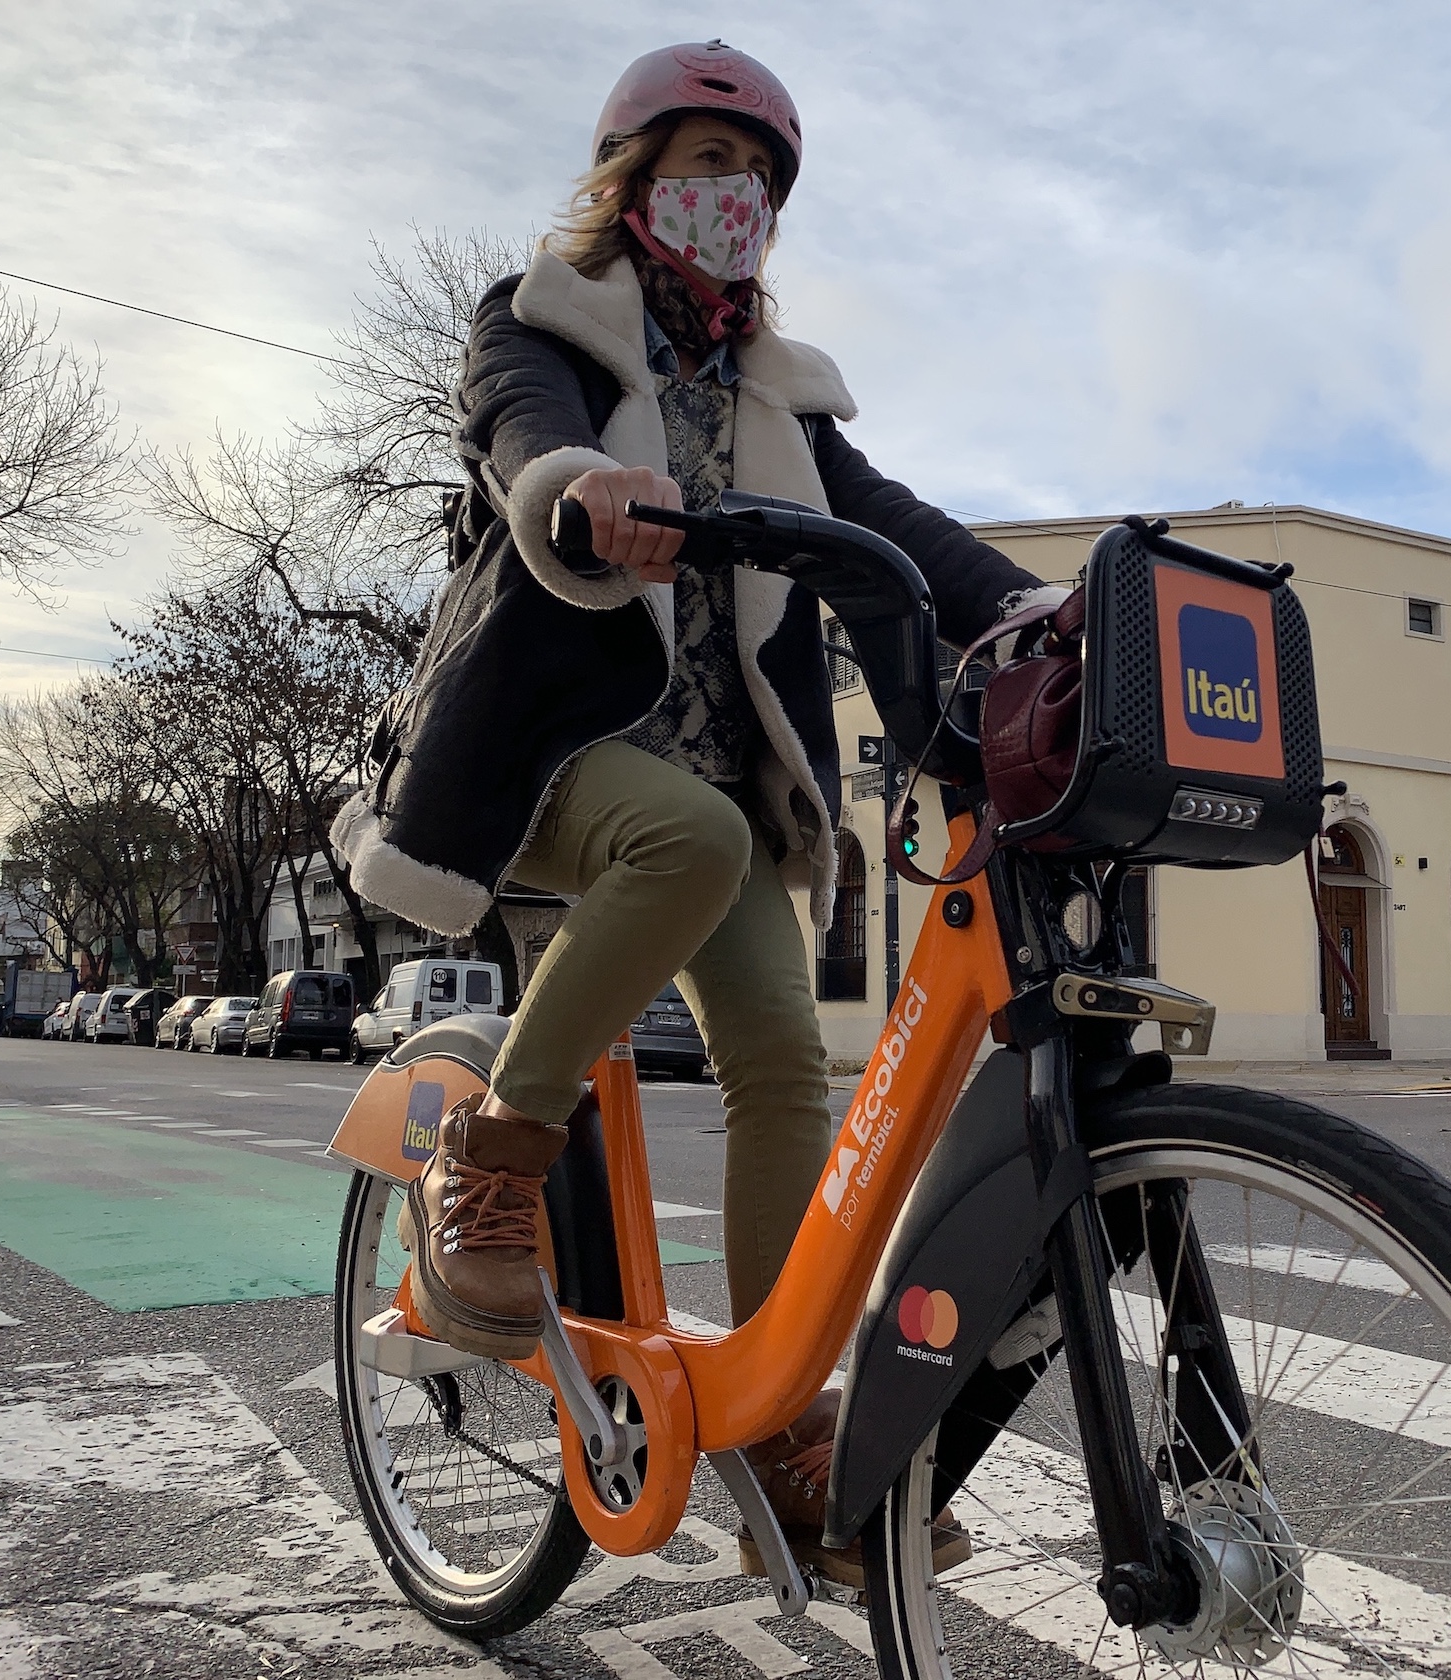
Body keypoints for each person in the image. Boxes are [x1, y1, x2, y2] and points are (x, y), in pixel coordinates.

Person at [331, 41, 1057, 1580]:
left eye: (757, 175)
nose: (733, 195)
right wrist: (581, 479)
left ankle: (780, 1424)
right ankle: (497, 1161)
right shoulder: (543, 322)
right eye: (704, 162)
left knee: (790, 1067)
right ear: (632, 174)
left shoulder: (777, 397)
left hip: (710, 788)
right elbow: (518, 425)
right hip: (541, 762)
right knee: (693, 837)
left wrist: (1036, 607)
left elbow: (898, 529)